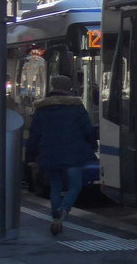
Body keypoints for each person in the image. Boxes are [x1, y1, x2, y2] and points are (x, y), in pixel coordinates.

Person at [25, 74, 98, 235]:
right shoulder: (77, 108)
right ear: (69, 88)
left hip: (49, 153)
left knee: (55, 186)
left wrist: (30, 156)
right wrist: (92, 146)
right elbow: (88, 130)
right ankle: (64, 211)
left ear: (52, 87)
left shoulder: (41, 109)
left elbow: (34, 135)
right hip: (73, 154)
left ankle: (55, 216)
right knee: (75, 185)